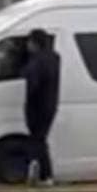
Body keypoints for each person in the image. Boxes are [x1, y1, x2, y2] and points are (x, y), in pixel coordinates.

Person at [22, 29, 60, 183]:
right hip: (50, 104)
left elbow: (32, 84)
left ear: (35, 43)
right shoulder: (54, 58)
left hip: (37, 106)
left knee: (37, 140)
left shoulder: (37, 61)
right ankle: (43, 173)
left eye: (29, 42)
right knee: (40, 140)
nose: (27, 45)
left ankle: (43, 173)